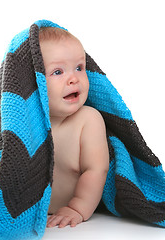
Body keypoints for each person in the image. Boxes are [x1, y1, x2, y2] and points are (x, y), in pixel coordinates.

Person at [39, 27, 109, 228]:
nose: (74, 78)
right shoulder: (25, 124)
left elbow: (96, 169)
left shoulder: (88, 120)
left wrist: (78, 208)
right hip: (36, 215)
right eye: (58, 71)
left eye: (79, 67)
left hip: (72, 216)